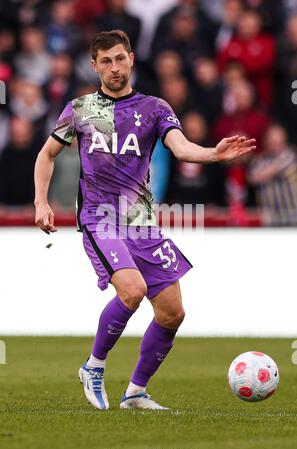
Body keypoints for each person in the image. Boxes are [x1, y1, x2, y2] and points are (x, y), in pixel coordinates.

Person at [34, 30, 256, 411]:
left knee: (172, 312)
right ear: (94, 66)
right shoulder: (81, 109)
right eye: (106, 61)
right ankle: (93, 366)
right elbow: (47, 154)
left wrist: (214, 155)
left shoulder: (154, 108)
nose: (115, 68)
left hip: (141, 223)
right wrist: (41, 201)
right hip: (99, 219)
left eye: (120, 59)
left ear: (132, 59)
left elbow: (181, 148)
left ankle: (136, 392)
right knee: (132, 291)